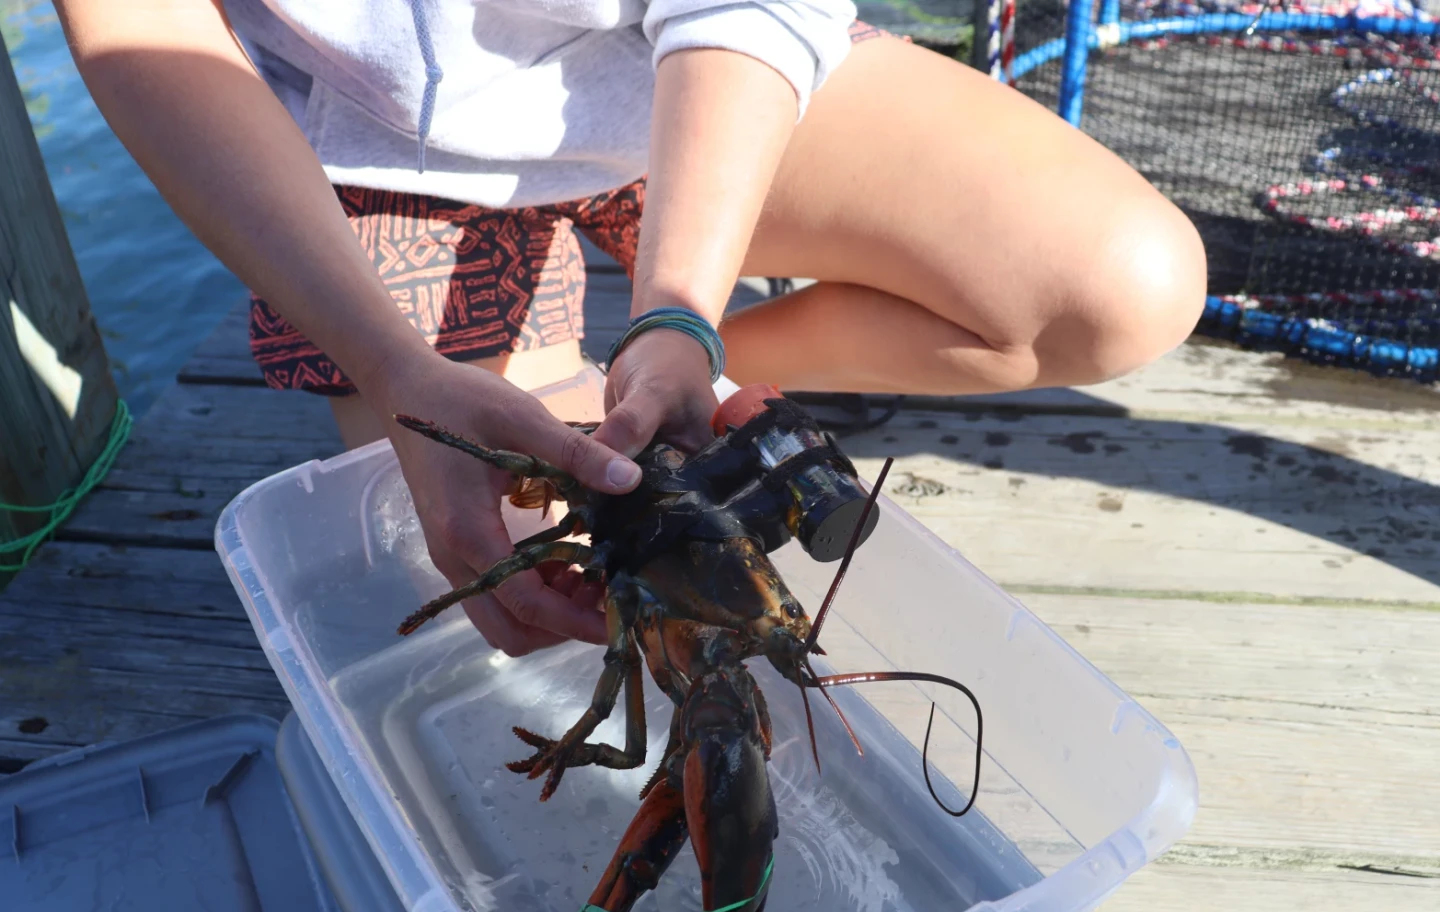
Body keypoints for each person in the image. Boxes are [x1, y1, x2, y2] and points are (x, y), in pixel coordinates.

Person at [55, 0, 1206, 657]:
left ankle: (652, 380)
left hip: (668, 74)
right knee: (501, 599)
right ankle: (612, 401)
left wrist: (682, 315)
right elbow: (137, 23)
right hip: (370, 139)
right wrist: (394, 367)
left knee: (1121, 282)